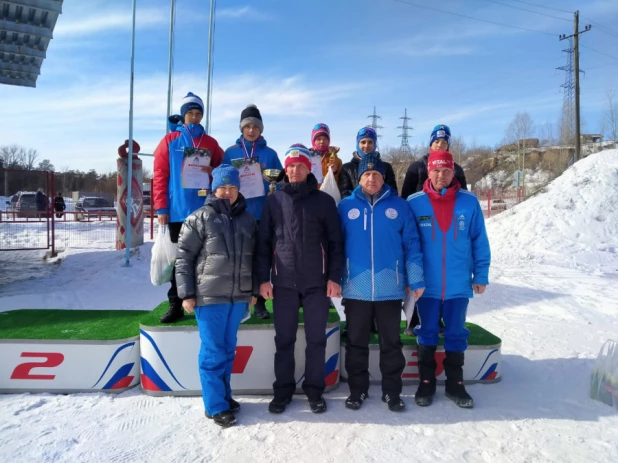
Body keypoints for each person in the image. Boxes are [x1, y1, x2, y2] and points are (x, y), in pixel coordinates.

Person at [258, 143, 343, 414]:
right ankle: (282, 391)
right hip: (283, 283)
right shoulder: (273, 200)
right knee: (284, 340)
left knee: (316, 340)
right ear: (285, 169)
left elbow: (335, 243)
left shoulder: (324, 201)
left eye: (301, 166)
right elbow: (264, 242)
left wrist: (334, 277)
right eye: (291, 166)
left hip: (317, 283)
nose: (295, 170)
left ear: (310, 169)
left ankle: (314, 391)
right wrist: (263, 279)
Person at [338, 152, 425, 412]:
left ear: (384, 177)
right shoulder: (345, 207)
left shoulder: (399, 206)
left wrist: (415, 278)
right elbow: (334, 246)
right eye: (367, 174)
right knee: (356, 342)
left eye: (376, 174)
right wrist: (334, 278)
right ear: (359, 178)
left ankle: (392, 392)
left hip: (390, 287)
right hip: (356, 287)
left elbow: (412, 244)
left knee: (391, 343)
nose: (372, 178)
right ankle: (357, 390)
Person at [174, 164, 258, 428]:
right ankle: (215, 405)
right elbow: (184, 258)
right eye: (222, 187)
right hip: (209, 297)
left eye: (232, 187)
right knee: (212, 351)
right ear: (214, 189)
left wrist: (253, 291)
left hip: (238, 297)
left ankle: (224, 396)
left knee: (227, 350)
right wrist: (186, 294)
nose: (227, 192)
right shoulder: (199, 217)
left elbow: (254, 258)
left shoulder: (247, 218)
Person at [407, 150, 490, 409]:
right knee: (427, 332)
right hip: (426, 286)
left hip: (457, 284)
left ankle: (456, 383)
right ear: (428, 172)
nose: (440, 175)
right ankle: (426, 382)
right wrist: (413, 278)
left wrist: (481, 273)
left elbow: (479, 240)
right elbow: (410, 245)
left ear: (453, 172)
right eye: (436, 170)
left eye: (446, 171)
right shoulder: (414, 202)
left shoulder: (469, 202)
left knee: (456, 333)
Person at [153, 92, 225, 324]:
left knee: (205, 258)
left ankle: (203, 300)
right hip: (177, 211)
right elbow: (160, 176)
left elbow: (224, 173)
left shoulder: (211, 143)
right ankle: (176, 302)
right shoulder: (169, 141)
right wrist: (162, 208)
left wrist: (213, 171)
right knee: (179, 260)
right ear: (183, 116)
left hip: (206, 209)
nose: (194, 117)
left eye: (198, 113)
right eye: (190, 113)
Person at [223, 104, 283, 320]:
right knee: (239, 258)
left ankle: (260, 301)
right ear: (242, 128)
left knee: (261, 257)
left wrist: (273, 185)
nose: (251, 130)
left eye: (255, 127)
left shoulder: (270, 153)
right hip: (238, 214)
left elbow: (282, 180)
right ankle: (239, 299)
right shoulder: (231, 152)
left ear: (261, 129)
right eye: (247, 126)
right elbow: (222, 178)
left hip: (263, 214)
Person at [401, 124, 467, 200]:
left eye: (444, 142)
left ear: (448, 146)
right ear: (431, 143)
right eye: (436, 141)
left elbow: (463, 197)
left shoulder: (457, 170)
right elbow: (405, 197)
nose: (440, 145)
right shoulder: (416, 167)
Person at [338, 127, 398, 198]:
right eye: (363, 142)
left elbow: (392, 192)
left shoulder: (386, 167)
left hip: (381, 207)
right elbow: (344, 193)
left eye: (370, 142)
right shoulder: (347, 168)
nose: (366, 146)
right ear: (357, 144)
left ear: (374, 144)